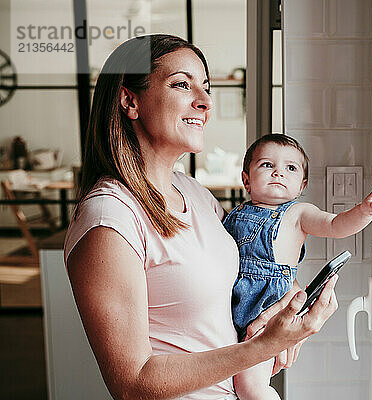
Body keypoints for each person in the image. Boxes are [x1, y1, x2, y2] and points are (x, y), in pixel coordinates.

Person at [63, 34, 339, 400]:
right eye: (182, 84)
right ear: (130, 100)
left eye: (206, 88)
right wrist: (261, 346)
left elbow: (245, 272)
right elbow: (132, 383)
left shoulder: (194, 193)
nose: (206, 102)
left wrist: (279, 307)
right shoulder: (109, 218)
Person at [223, 134, 372, 400]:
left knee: (250, 388)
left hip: (268, 312)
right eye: (267, 165)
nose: (278, 172)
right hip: (229, 308)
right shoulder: (234, 213)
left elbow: (336, 225)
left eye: (290, 168)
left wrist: (365, 210)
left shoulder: (298, 214)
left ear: (302, 185)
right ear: (246, 180)